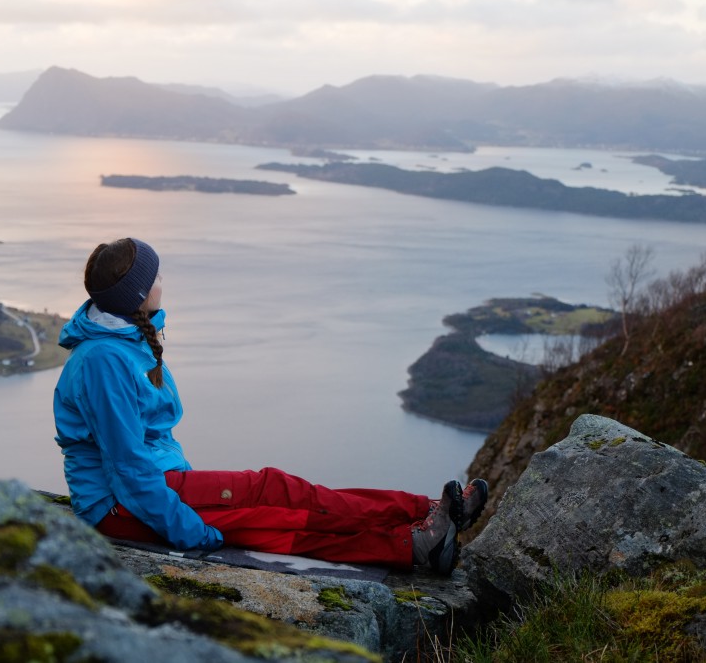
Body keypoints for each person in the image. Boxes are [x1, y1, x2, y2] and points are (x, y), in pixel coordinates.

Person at [52, 237, 488, 574]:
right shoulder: (104, 362)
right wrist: (188, 530)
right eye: (157, 277)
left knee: (279, 492)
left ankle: (426, 511)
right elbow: (128, 469)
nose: (163, 282)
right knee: (272, 515)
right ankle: (414, 545)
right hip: (121, 506)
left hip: (152, 487)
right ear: (138, 295)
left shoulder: (121, 341)